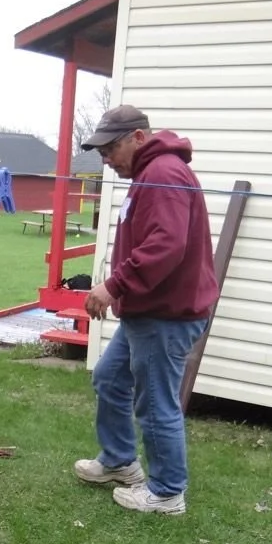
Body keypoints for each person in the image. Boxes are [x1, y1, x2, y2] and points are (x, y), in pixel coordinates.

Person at [73, 105, 218, 515]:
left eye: (111, 148)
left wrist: (113, 285)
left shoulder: (163, 174)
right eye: (100, 150)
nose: (105, 158)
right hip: (148, 311)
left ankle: (167, 492)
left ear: (138, 138)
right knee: (110, 380)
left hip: (166, 315)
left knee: (155, 403)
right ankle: (119, 461)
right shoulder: (150, 174)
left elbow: (165, 247)